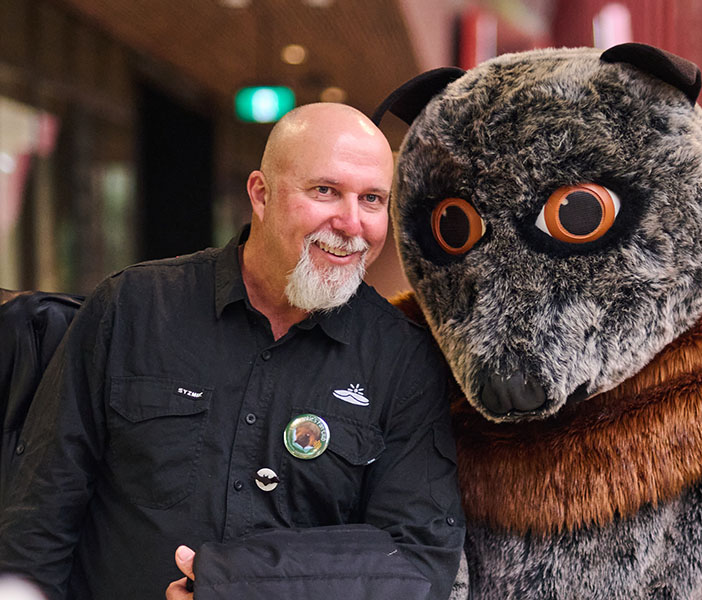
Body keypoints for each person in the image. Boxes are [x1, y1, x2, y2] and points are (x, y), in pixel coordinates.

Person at [0, 103, 465, 600]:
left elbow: (417, 561)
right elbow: (41, 516)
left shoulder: (403, 359)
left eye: (372, 199)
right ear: (261, 195)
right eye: (325, 191)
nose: (352, 223)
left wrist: (237, 583)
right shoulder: (133, 307)